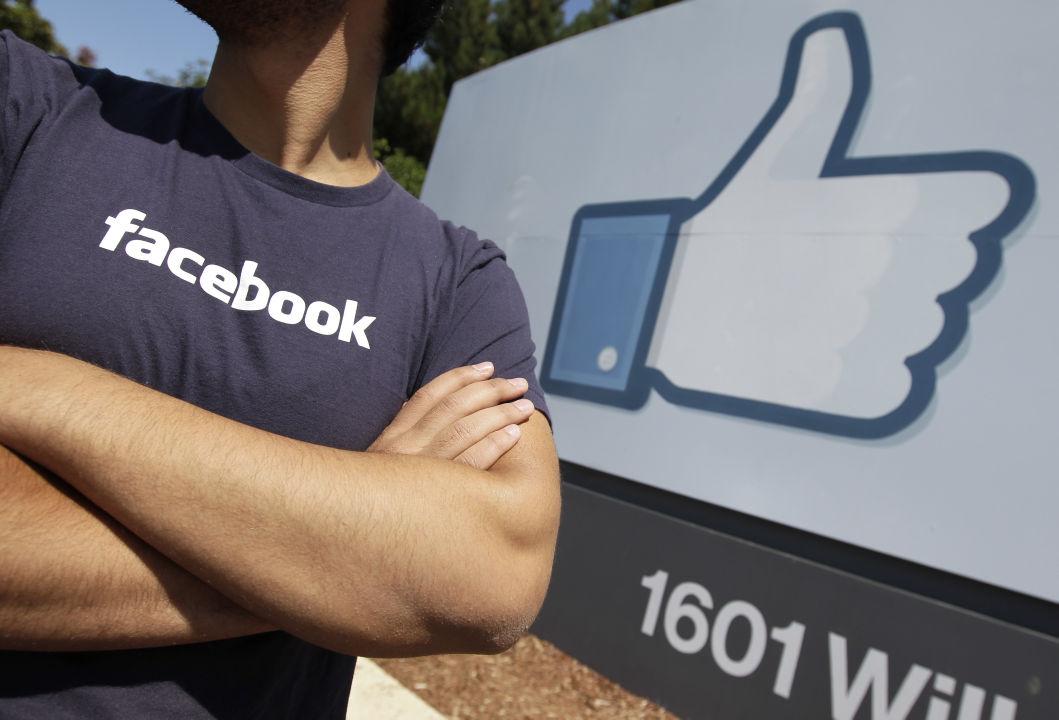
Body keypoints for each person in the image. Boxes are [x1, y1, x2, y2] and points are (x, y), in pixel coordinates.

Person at [0, 0, 560, 717]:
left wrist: (40, 387)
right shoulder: (32, 107)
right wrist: (352, 555)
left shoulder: (456, 281)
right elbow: (428, 581)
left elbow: (494, 578)